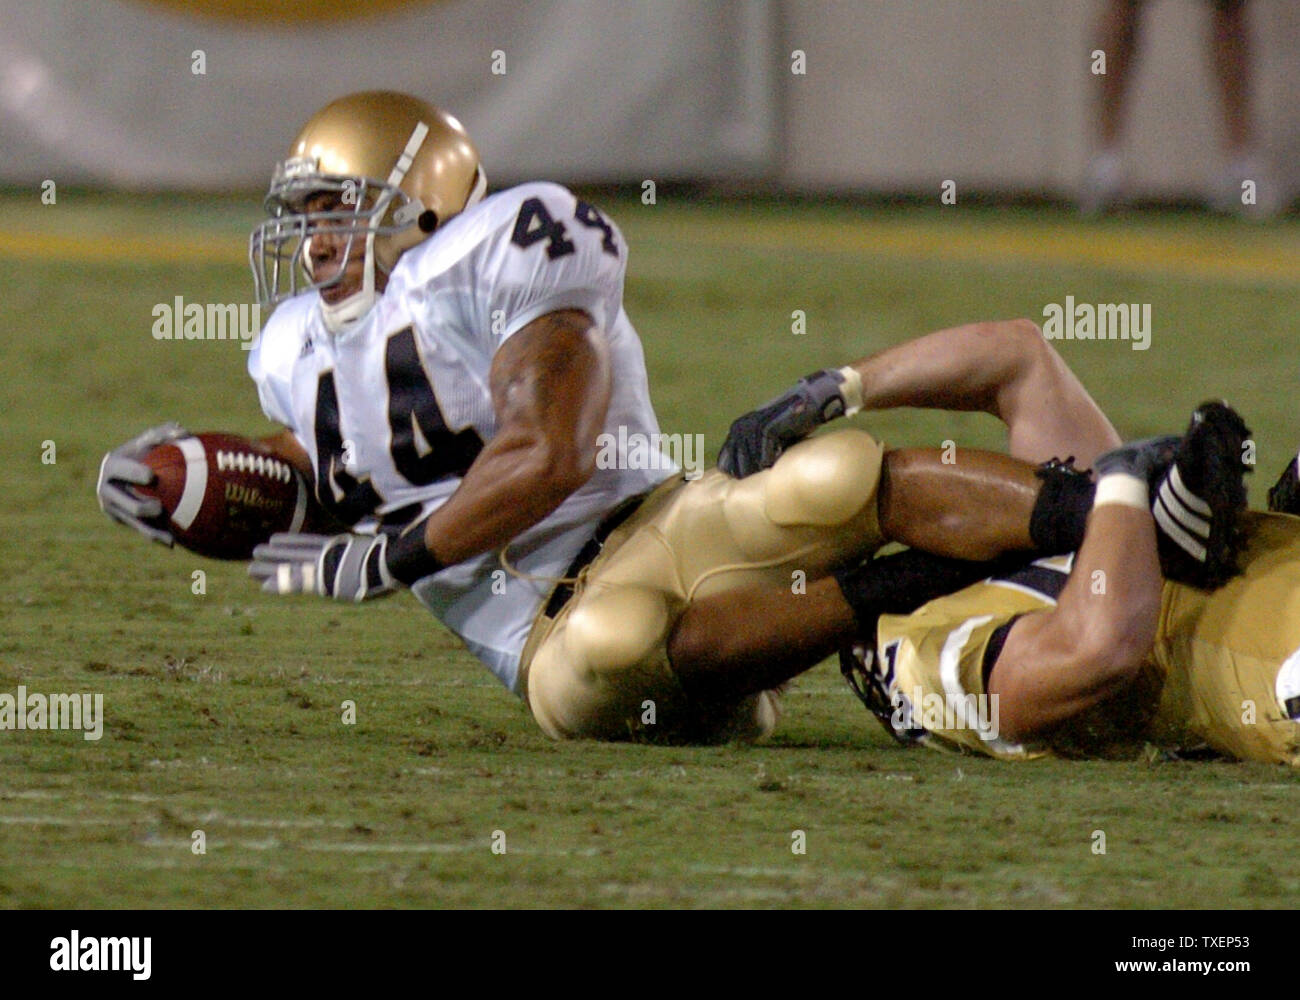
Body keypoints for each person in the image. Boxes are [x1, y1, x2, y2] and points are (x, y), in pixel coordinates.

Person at [94, 91, 1155, 743]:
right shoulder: (290, 349)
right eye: (306, 216)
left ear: (418, 204)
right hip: (541, 636)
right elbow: (329, 479)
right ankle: (911, 578)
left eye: (338, 210)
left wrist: (397, 558)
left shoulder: (500, 249)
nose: (316, 240)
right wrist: (209, 491)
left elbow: (547, 455)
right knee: (597, 658)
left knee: (826, 479)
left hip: (644, 524)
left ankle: (1112, 508)